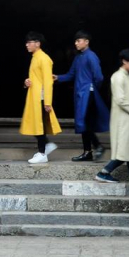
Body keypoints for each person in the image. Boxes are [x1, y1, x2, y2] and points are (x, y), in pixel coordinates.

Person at [95, 49, 129, 198]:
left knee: (127, 151)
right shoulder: (118, 77)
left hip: (127, 118)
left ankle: (105, 172)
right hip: (123, 119)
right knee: (128, 152)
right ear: (124, 61)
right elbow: (120, 99)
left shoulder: (125, 76)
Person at [53, 30, 109, 162]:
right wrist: (58, 78)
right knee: (84, 122)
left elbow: (99, 77)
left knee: (84, 122)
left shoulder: (91, 56)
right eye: (75, 41)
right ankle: (87, 152)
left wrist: (92, 89)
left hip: (88, 93)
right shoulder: (78, 57)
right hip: (80, 94)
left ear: (86, 42)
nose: (76, 43)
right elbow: (71, 75)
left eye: (78, 41)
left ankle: (97, 146)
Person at [20, 31, 62, 164]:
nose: (27, 45)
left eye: (29, 42)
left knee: (39, 125)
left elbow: (48, 82)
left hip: (41, 98)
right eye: (26, 42)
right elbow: (36, 78)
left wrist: (47, 102)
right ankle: (45, 147)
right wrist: (27, 82)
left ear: (37, 44)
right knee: (36, 124)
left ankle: (42, 152)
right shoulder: (35, 57)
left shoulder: (44, 58)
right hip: (35, 96)